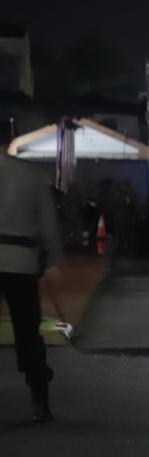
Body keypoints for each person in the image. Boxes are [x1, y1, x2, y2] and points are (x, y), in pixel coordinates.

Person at [0, 134, 63, 421]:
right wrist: (52, 260)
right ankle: (40, 398)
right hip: (21, 262)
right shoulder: (30, 175)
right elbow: (48, 222)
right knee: (27, 332)